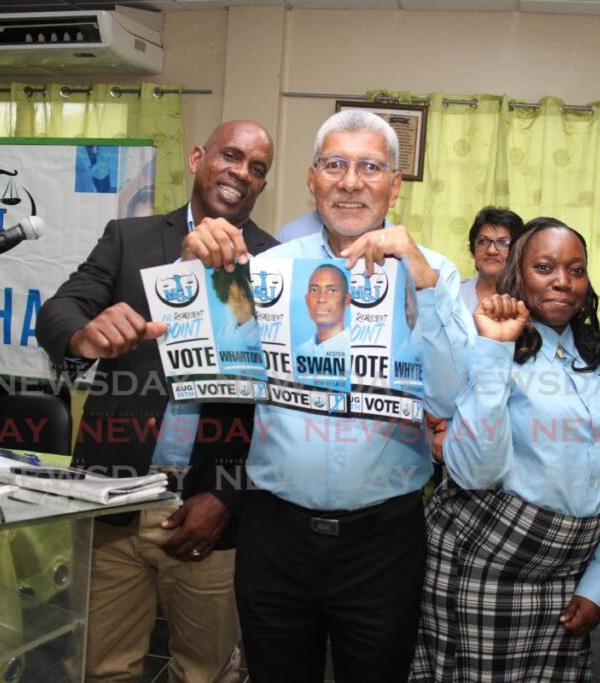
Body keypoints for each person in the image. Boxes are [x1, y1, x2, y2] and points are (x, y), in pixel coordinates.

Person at [179, 109, 472, 683]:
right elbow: (205, 368)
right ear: (313, 180)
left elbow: (449, 396)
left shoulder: (434, 272)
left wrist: (419, 279)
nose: (351, 181)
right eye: (335, 164)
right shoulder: (267, 272)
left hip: (383, 542)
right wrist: (194, 273)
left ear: (394, 183)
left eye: (370, 167)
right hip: (274, 536)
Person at [36, 120, 278, 683]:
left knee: (204, 672)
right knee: (100, 668)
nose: (242, 173)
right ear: (198, 157)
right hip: (113, 497)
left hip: (210, 512)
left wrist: (227, 496)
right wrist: (84, 334)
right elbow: (59, 310)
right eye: (231, 156)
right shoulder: (130, 237)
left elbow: (277, 404)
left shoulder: (276, 264)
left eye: (258, 167)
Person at [411, 218, 600, 681]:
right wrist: (494, 351)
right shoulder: (490, 346)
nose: (562, 281)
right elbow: (474, 473)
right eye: (545, 267)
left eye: (576, 269)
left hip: (566, 579)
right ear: (518, 273)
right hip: (481, 567)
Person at [457, 206, 526, 312]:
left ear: (518, 250)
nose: (491, 251)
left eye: (503, 243)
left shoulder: (528, 298)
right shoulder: (453, 293)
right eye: (483, 241)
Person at [296, 263, 351, 356]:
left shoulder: (357, 351)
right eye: (314, 290)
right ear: (306, 299)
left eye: (332, 291)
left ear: (346, 300)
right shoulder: (298, 352)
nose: (321, 299)